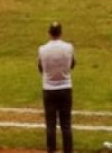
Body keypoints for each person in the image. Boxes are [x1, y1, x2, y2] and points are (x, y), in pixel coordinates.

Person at [38, 21, 75, 153]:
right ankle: (68, 151)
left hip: (49, 89)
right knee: (66, 124)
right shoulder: (69, 47)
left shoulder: (42, 49)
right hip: (65, 88)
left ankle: (51, 150)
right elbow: (72, 64)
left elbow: (41, 68)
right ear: (61, 32)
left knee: (50, 124)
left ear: (49, 33)